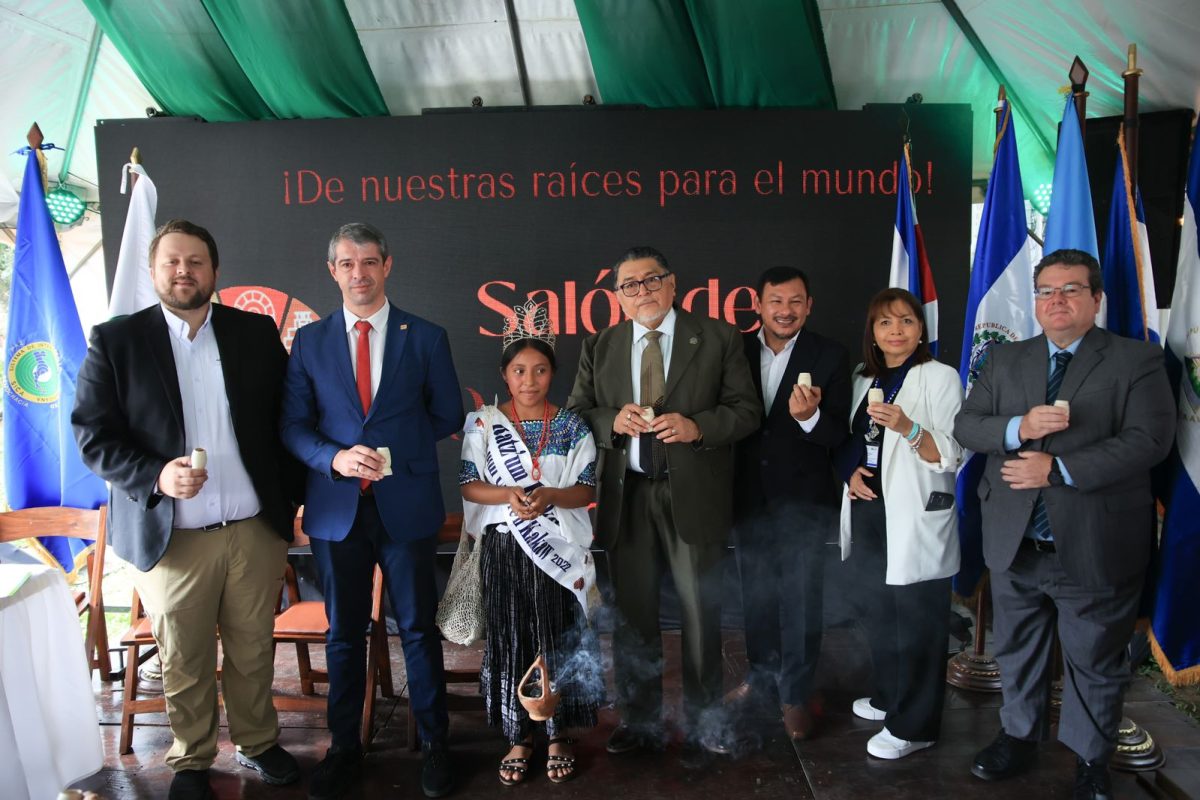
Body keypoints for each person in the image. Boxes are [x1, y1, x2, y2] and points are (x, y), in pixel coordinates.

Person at [72, 219, 301, 800]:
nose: (183, 271)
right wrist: (156, 474)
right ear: (153, 271)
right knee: (184, 656)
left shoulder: (254, 333)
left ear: (214, 271)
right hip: (170, 534)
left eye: (195, 261)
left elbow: (288, 421)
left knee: (253, 648)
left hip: (253, 529)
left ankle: (257, 742)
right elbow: (93, 437)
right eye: (171, 261)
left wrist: (292, 500)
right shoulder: (117, 341)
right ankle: (192, 759)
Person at [954, 249, 1174, 799]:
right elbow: (968, 425)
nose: (1057, 300)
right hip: (1015, 541)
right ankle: (1018, 737)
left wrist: (1059, 469)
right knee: (1016, 649)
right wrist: (1018, 427)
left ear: (1096, 299)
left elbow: (1149, 440)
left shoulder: (1137, 359)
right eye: (1046, 291)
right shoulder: (1005, 359)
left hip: (1095, 541)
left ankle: (1090, 760)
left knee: (1095, 659)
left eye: (1071, 289)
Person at [279, 222, 464, 800]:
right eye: (346, 263)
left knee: (419, 628)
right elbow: (293, 425)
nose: (358, 273)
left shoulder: (426, 337)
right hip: (337, 510)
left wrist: (394, 450)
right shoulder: (309, 342)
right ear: (332, 271)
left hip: (405, 504)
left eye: (368, 262)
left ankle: (435, 745)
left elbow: (448, 414)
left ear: (387, 266)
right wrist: (335, 459)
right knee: (344, 633)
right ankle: (344, 749)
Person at [566, 246, 760, 762]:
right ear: (617, 297)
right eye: (629, 285)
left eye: (652, 280)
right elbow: (577, 412)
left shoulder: (718, 337)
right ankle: (640, 721)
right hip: (626, 495)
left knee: (701, 613)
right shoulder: (600, 345)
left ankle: (705, 721)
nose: (642, 291)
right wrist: (611, 420)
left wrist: (698, 427)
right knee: (633, 617)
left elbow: (746, 411)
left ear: (673, 284)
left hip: (693, 495)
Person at [459, 300, 602, 786]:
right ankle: (518, 734)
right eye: (519, 370)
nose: (529, 380)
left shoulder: (572, 425)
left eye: (540, 370)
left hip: (558, 551)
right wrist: (509, 495)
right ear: (504, 374)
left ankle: (559, 732)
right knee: (512, 636)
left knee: (559, 636)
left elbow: (585, 489)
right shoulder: (483, 424)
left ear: (552, 373)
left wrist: (551, 496)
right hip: (505, 551)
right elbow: (469, 485)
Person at [833, 287, 962, 760]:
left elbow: (952, 451)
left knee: (919, 623)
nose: (896, 331)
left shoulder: (940, 376)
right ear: (872, 331)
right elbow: (851, 440)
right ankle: (889, 696)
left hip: (915, 514)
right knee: (880, 614)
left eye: (906, 320)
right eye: (885, 322)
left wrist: (909, 428)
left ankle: (916, 726)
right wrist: (850, 474)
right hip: (870, 509)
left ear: (921, 329)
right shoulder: (863, 376)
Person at [726, 266, 850, 742]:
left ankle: (795, 694)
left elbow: (839, 434)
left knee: (800, 600)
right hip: (746, 496)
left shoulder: (830, 355)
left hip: (803, 501)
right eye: (776, 301)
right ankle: (760, 681)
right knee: (755, 596)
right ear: (758, 305)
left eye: (796, 301)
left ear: (809, 306)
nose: (785, 310)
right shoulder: (734, 350)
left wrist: (810, 417)